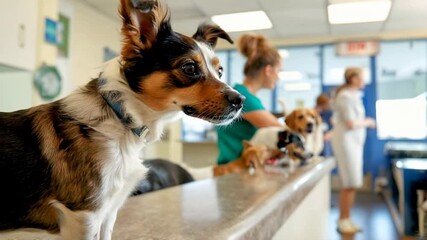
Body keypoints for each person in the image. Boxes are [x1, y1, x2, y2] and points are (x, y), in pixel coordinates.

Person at [216, 34, 283, 165]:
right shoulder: (243, 97)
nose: (278, 77)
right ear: (268, 70)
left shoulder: (245, 95)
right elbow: (282, 132)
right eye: (278, 70)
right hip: (236, 169)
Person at [331, 67, 376, 234]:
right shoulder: (345, 96)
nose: (364, 80)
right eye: (362, 77)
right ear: (353, 79)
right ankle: (343, 219)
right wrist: (368, 122)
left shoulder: (354, 96)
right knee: (349, 182)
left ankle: (347, 218)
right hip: (347, 143)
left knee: (353, 182)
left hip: (354, 143)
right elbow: (350, 123)